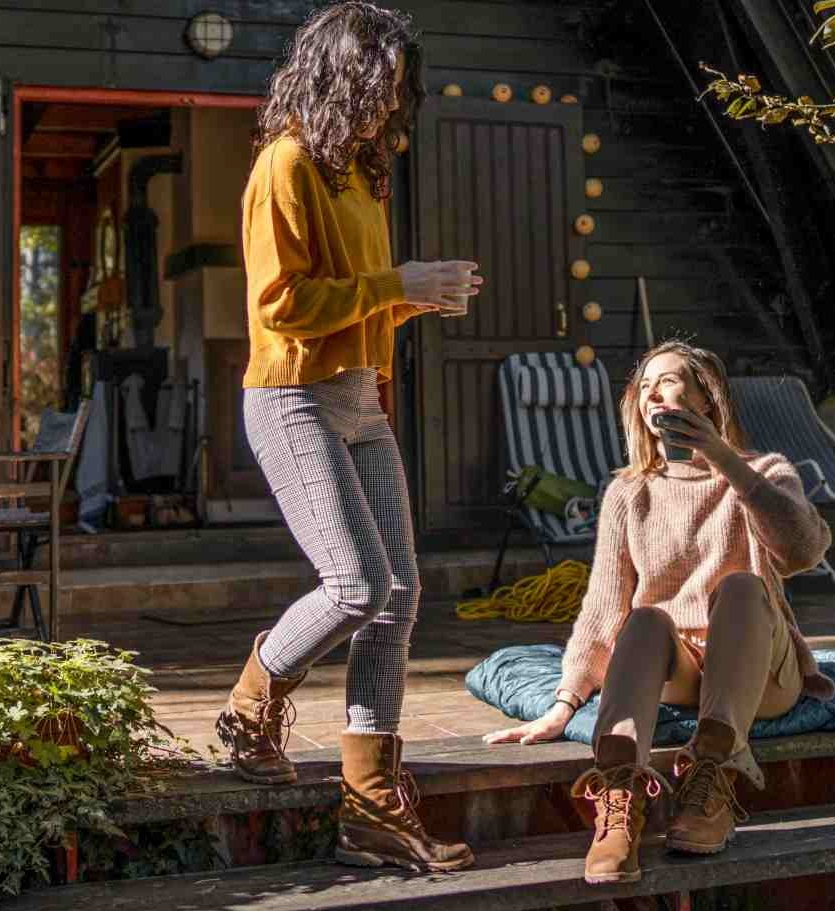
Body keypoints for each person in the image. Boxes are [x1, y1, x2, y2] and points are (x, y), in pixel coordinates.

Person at [215, 1, 483, 873]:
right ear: (338, 76)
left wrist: (415, 294)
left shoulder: (359, 175)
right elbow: (282, 307)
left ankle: (369, 803)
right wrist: (391, 281)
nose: (388, 104)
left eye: (398, 90)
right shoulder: (283, 165)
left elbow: (357, 299)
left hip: (359, 400)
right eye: (379, 85)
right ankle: (248, 701)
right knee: (356, 582)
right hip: (292, 398)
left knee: (397, 594)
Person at [484, 340, 835, 885]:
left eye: (668, 381)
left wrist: (724, 461)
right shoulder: (629, 491)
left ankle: (712, 777)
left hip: (761, 670)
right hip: (682, 670)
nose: (653, 393)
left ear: (707, 397)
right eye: (644, 385)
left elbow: (804, 551)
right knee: (644, 618)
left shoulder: (764, 470)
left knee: (741, 586)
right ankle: (620, 794)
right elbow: (603, 605)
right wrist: (565, 700)